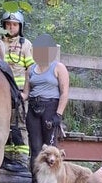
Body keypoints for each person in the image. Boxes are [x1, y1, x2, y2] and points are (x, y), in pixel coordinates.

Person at [0, 11, 33, 174]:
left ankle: (20, 159)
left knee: (19, 124)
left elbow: (29, 70)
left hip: (17, 91)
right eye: (8, 24)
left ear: (20, 26)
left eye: (14, 24)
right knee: (2, 124)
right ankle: (5, 156)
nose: (11, 27)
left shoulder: (26, 44)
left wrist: (26, 93)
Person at [26, 35, 70, 170]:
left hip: (50, 108)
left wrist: (58, 115)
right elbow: (25, 93)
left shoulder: (58, 67)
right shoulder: (30, 69)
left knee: (51, 149)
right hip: (33, 108)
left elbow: (64, 92)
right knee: (35, 147)